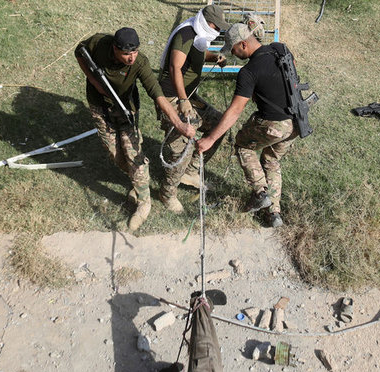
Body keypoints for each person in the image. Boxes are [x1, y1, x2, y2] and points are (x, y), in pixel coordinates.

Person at [75, 27, 195, 231]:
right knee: (115, 153)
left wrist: (179, 124)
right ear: (114, 48)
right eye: (126, 53)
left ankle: (144, 202)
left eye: (135, 52)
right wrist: (94, 81)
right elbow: (79, 51)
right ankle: (137, 179)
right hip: (99, 105)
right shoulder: (98, 43)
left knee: (133, 153)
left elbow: (157, 94)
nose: (131, 58)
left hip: (126, 108)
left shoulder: (140, 63)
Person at [196, 23, 298, 228]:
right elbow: (291, 68)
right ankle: (274, 214)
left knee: (243, 146)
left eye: (233, 49)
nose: (233, 53)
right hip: (295, 122)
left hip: (273, 124)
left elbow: (235, 110)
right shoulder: (280, 49)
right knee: (271, 161)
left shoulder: (248, 72)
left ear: (243, 44)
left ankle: (260, 192)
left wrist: (210, 139)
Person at [156, 5, 230, 213]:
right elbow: (175, 67)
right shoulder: (186, 34)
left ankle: (190, 171)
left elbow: (198, 53)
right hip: (172, 96)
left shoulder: (200, 34)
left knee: (218, 124)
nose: (218, 31)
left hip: (189, 96)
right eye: (216, 26)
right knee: (183, 140)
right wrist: (181, 99)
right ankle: (167, 193)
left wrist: (214, 57)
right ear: (207, 22)